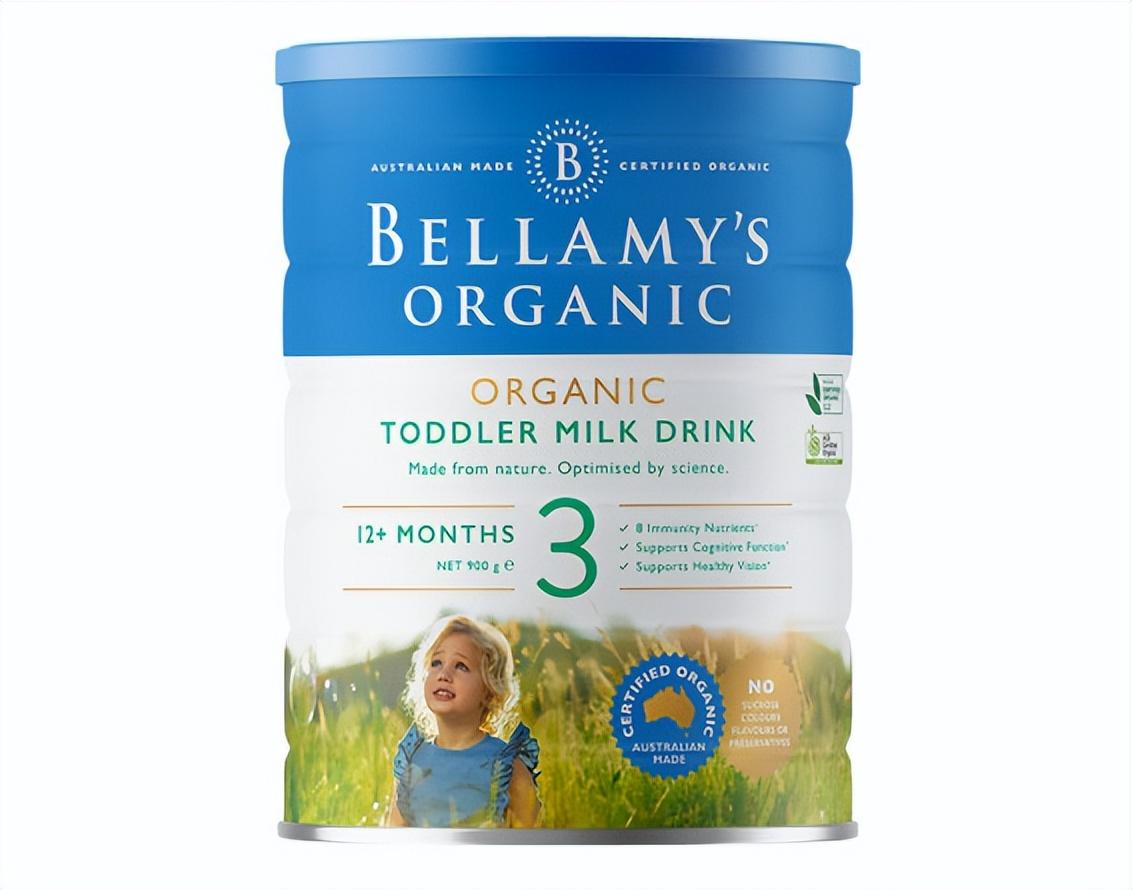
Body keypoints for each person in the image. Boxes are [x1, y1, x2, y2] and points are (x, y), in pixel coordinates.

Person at [388, 615, 540, 828]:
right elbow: (394, 831)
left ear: (488, 691)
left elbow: (531, 835)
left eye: (461, 666)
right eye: (436, 663)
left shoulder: (506, 765)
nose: (444, 674)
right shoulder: (413, 759)